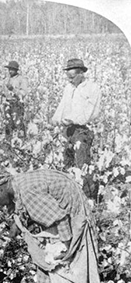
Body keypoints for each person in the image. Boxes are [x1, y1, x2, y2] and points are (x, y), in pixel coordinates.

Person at [51, 58, 101, 199]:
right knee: (67, 161)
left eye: (72, 77)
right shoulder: (69, 88)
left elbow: (91, 112)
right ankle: (71, 194)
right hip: (68, 129)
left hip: (82, 130)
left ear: (81, 74)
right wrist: (55, 119)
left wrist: (72, 119)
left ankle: (87, 197)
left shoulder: (92, 88)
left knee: (82, 163)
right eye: (68, 77)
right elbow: (62, 106)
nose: (70, 80)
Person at [2, 60, 29, 139]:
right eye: (9, 69)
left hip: (17, 105)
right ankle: (8, 142)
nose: (10, 71)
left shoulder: (22, 79)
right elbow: (3, 93)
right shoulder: (6, 80)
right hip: (7, 104)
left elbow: (23, 93)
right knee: (8, 124)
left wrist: (13, 90)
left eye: (12, 69)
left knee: (18, 124)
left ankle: (20, 144)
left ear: (16, 70)